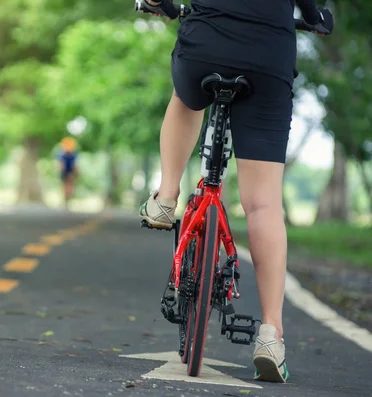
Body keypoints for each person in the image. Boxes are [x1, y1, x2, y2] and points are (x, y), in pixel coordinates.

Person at [137, 0, 334, 383]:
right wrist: (315, 18)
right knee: (263, 206)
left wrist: (159, 4)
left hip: (206, 42)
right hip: (268, 54)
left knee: (187, 97)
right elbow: (309, 7)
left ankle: (165, 197)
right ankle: (271, 336)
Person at [58, 137, 79, 208]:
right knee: (67, 186)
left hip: (69, 172)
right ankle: (66, 199)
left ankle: (67, 199)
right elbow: (62, 164)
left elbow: (74, 165)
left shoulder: (70, 155)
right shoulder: (66, 155)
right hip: (67, 172)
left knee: (68, 186)